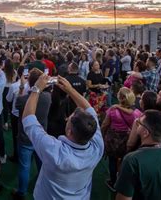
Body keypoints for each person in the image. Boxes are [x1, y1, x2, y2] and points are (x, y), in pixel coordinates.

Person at [20, 74, 104, 199]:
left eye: (69, 119)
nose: (68, 117)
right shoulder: (97, 146)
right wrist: (70, 90)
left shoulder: (55, 151)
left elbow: (28, 120)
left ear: (69, 131)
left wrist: (36, 88)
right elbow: (89, 108)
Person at [115, 110, 161, 200]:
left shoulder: (132, 160)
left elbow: (123, 198)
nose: (137, 123)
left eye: (139, 123)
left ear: (145, 132)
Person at [13, 68, 51, 199]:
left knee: (24, 167)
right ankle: (43, 185)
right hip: (41, 137)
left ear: (30, 81)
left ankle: (21, 192)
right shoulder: (47, 97)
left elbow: (16, 105)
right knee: (42, 164)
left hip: (26, 138)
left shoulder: (23, 99)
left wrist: (22, 87)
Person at [101, 87, 142, 191]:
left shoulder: (113, 110)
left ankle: (113, 181)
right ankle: (124, 181)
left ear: (120, 97)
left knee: (112, 161)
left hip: (113, 139)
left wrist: (102, 134)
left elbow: (105, 124)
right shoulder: (137, 113)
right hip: (128, 139)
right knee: (125, 160)